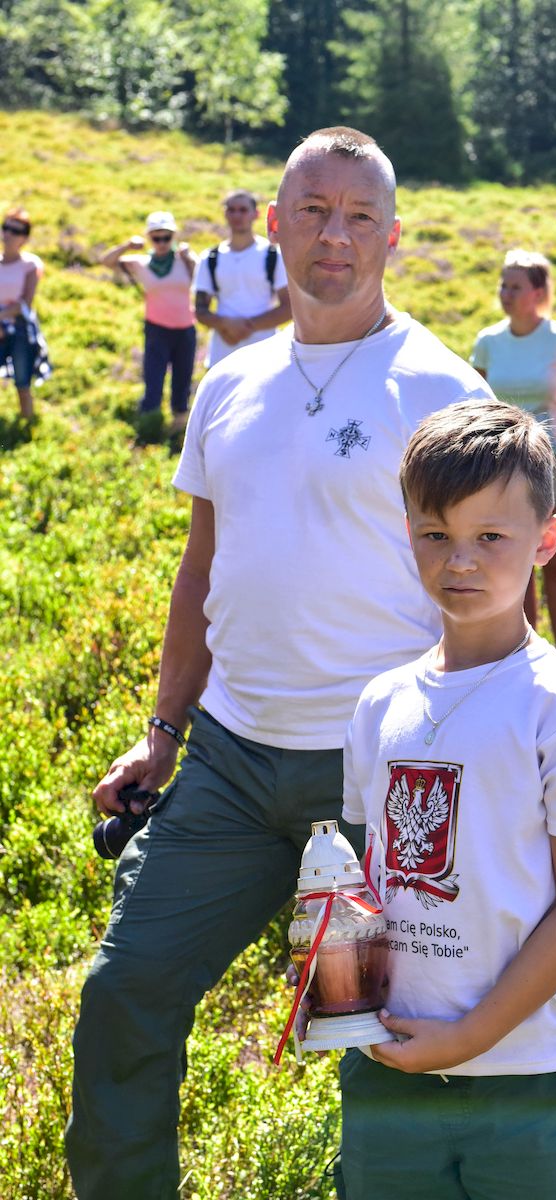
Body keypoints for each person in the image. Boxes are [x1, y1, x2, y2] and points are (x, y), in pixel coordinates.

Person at [65, 127, 494, 1199]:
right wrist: (162, 733)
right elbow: (203, 569)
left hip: (375, 780)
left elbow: (490, 589)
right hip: (228, 765)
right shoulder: (231, 385)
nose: (333, 235)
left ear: (392, 235)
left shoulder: (438, 386)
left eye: (357, 215)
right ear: (272, 226)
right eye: (313, 210)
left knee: (377, 1030)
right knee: (128, 989)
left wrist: (483, 757)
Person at [338, 397, 556, 1200]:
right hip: (389, 1065)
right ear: (408, 534)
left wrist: (468, 1035)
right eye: (435, 535)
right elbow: (365, 886)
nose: (458, 561)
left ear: (545, 540)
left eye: (488, 538)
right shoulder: (379, 704)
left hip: (529, 1082)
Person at [471, 249, 556, 655]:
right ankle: (524, 652)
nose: (505, 293)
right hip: (507, 469)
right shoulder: (488, 342)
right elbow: (481, 402)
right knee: (518, 564)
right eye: (503, 284)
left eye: (515, 286)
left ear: (538, 292)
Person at [101, 212, 197, 433]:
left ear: (173, 237)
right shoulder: (140, 264)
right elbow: (106, 261)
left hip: (185, 330)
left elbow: (201, 281)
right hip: (156, 329)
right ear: (149, 238)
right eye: (156, 238)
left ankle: (179, 426)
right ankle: (149, 425)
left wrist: (189, 258)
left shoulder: (185, 260)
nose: (162, 243)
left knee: (182, 380)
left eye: (166, 238)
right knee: (153, 378)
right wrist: (126, 246)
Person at [194, 189, 291, 368]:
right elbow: (200, 310)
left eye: (243, 210)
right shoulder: (210, 258)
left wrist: (246, 326)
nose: (237, 215)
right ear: (225, 213)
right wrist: (225, 324)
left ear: (256, 214)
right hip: (221, 357)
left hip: (264, 356)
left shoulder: (273, 255)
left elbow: (288, 307)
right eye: (231, 209)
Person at [0, 207, 51, 420]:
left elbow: (24, 304)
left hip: (20, 329)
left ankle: (27, 425)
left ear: (25, 238)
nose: (9, 234)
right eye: (6, 228)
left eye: (16, 230)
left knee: (22, 381)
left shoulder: (30, 264)